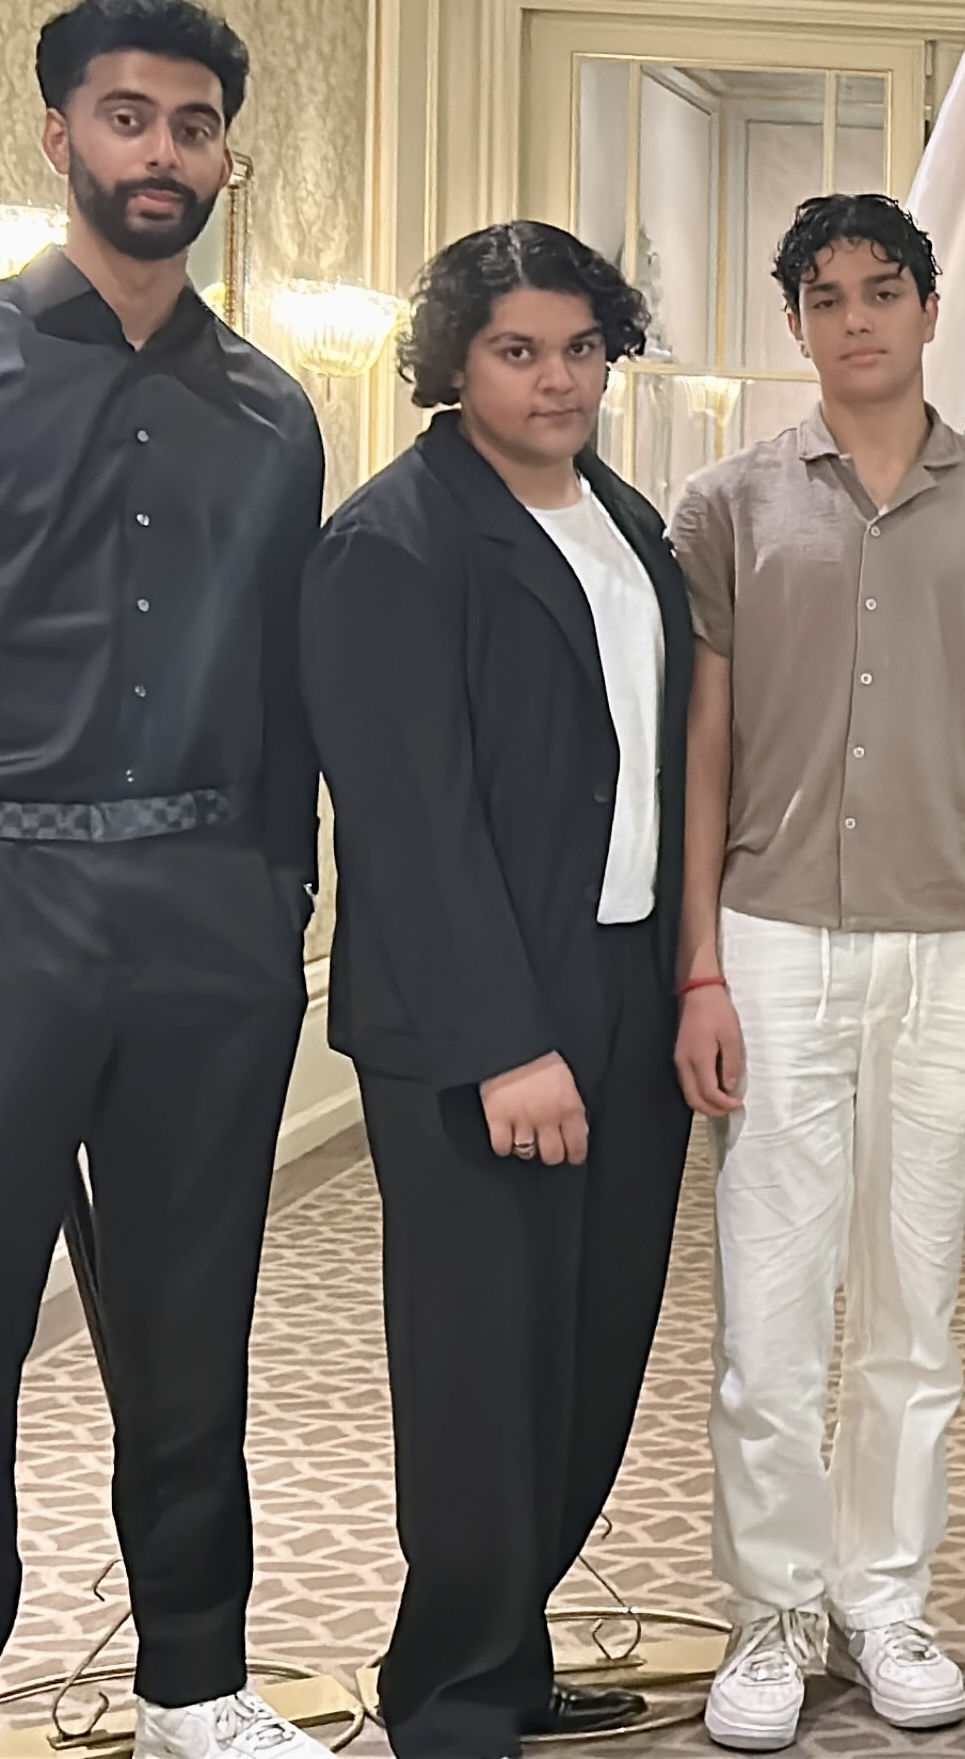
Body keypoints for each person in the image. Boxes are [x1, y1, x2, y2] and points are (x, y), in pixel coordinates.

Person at [0, 0, 332, 1759]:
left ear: (224, 156)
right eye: (126, 117)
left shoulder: (274, 412)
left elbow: (285, 695)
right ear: (59, 136)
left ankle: (195, 1680)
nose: (160, 152)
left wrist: (280, 906)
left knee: (193, 1324)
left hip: (210, 918)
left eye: (193, 125)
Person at [669, 192, 965, 1741]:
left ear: (927, 308)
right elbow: (705, 741)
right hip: (776, 937)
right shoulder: (727, 504)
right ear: (796, 320)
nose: (856, 320)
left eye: (882, 291)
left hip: (960, 944)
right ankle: (773, 1615)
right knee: (772, 1312)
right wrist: (700, 963)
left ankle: (887, 1602)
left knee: (917, 1304)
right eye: (827, 297)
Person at [300, 223, 693, 1758]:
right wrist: (505, 1043)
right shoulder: (393, 541)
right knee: (482, 1369)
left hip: (627, 980)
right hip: (483, 1016)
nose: (557, 380)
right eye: (518, 351)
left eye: (581, 348)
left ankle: (504, 1645)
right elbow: (408, 821)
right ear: (453, 361)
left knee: (593, 1352)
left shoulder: (627, 521)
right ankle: (454, 1695)